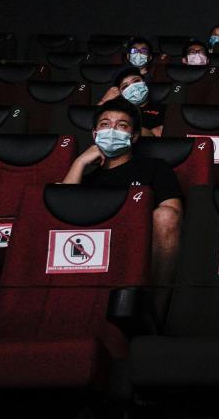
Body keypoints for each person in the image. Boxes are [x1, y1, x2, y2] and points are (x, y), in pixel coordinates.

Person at [60, 100, 182, 285]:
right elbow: (60, 214)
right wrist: (79, 163)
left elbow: (171, 218)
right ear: (95, 134)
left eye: (122, 126)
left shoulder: (155, 168)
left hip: (137, 246)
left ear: (133, 136)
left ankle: (155, 307)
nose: (111, 131)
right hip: (95, 247)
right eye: (105, 124)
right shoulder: (85, 179)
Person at [98, 68, 164, 135]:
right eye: (125, 86)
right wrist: (104, 100)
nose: (133, 87)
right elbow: (95, 124)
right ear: (121, 94)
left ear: (144, 82)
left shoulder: (164, 109)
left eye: (136, 81)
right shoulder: (118, 112)